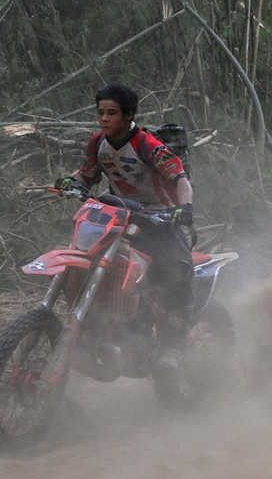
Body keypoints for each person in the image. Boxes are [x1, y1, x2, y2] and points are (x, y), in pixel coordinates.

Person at [55, 83, 195, 385]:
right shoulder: (97, 143)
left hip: (159, 219)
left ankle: (174, 346)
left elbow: (179, 176)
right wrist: (69, 182)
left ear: (129, 115)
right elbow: (87, 175)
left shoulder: (147, 144)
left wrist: (184, 209)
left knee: (176, 270)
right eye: (101, 112)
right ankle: (93, 327)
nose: (104, 119)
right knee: (85, 257)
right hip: (117, 215)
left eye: (112, 113)